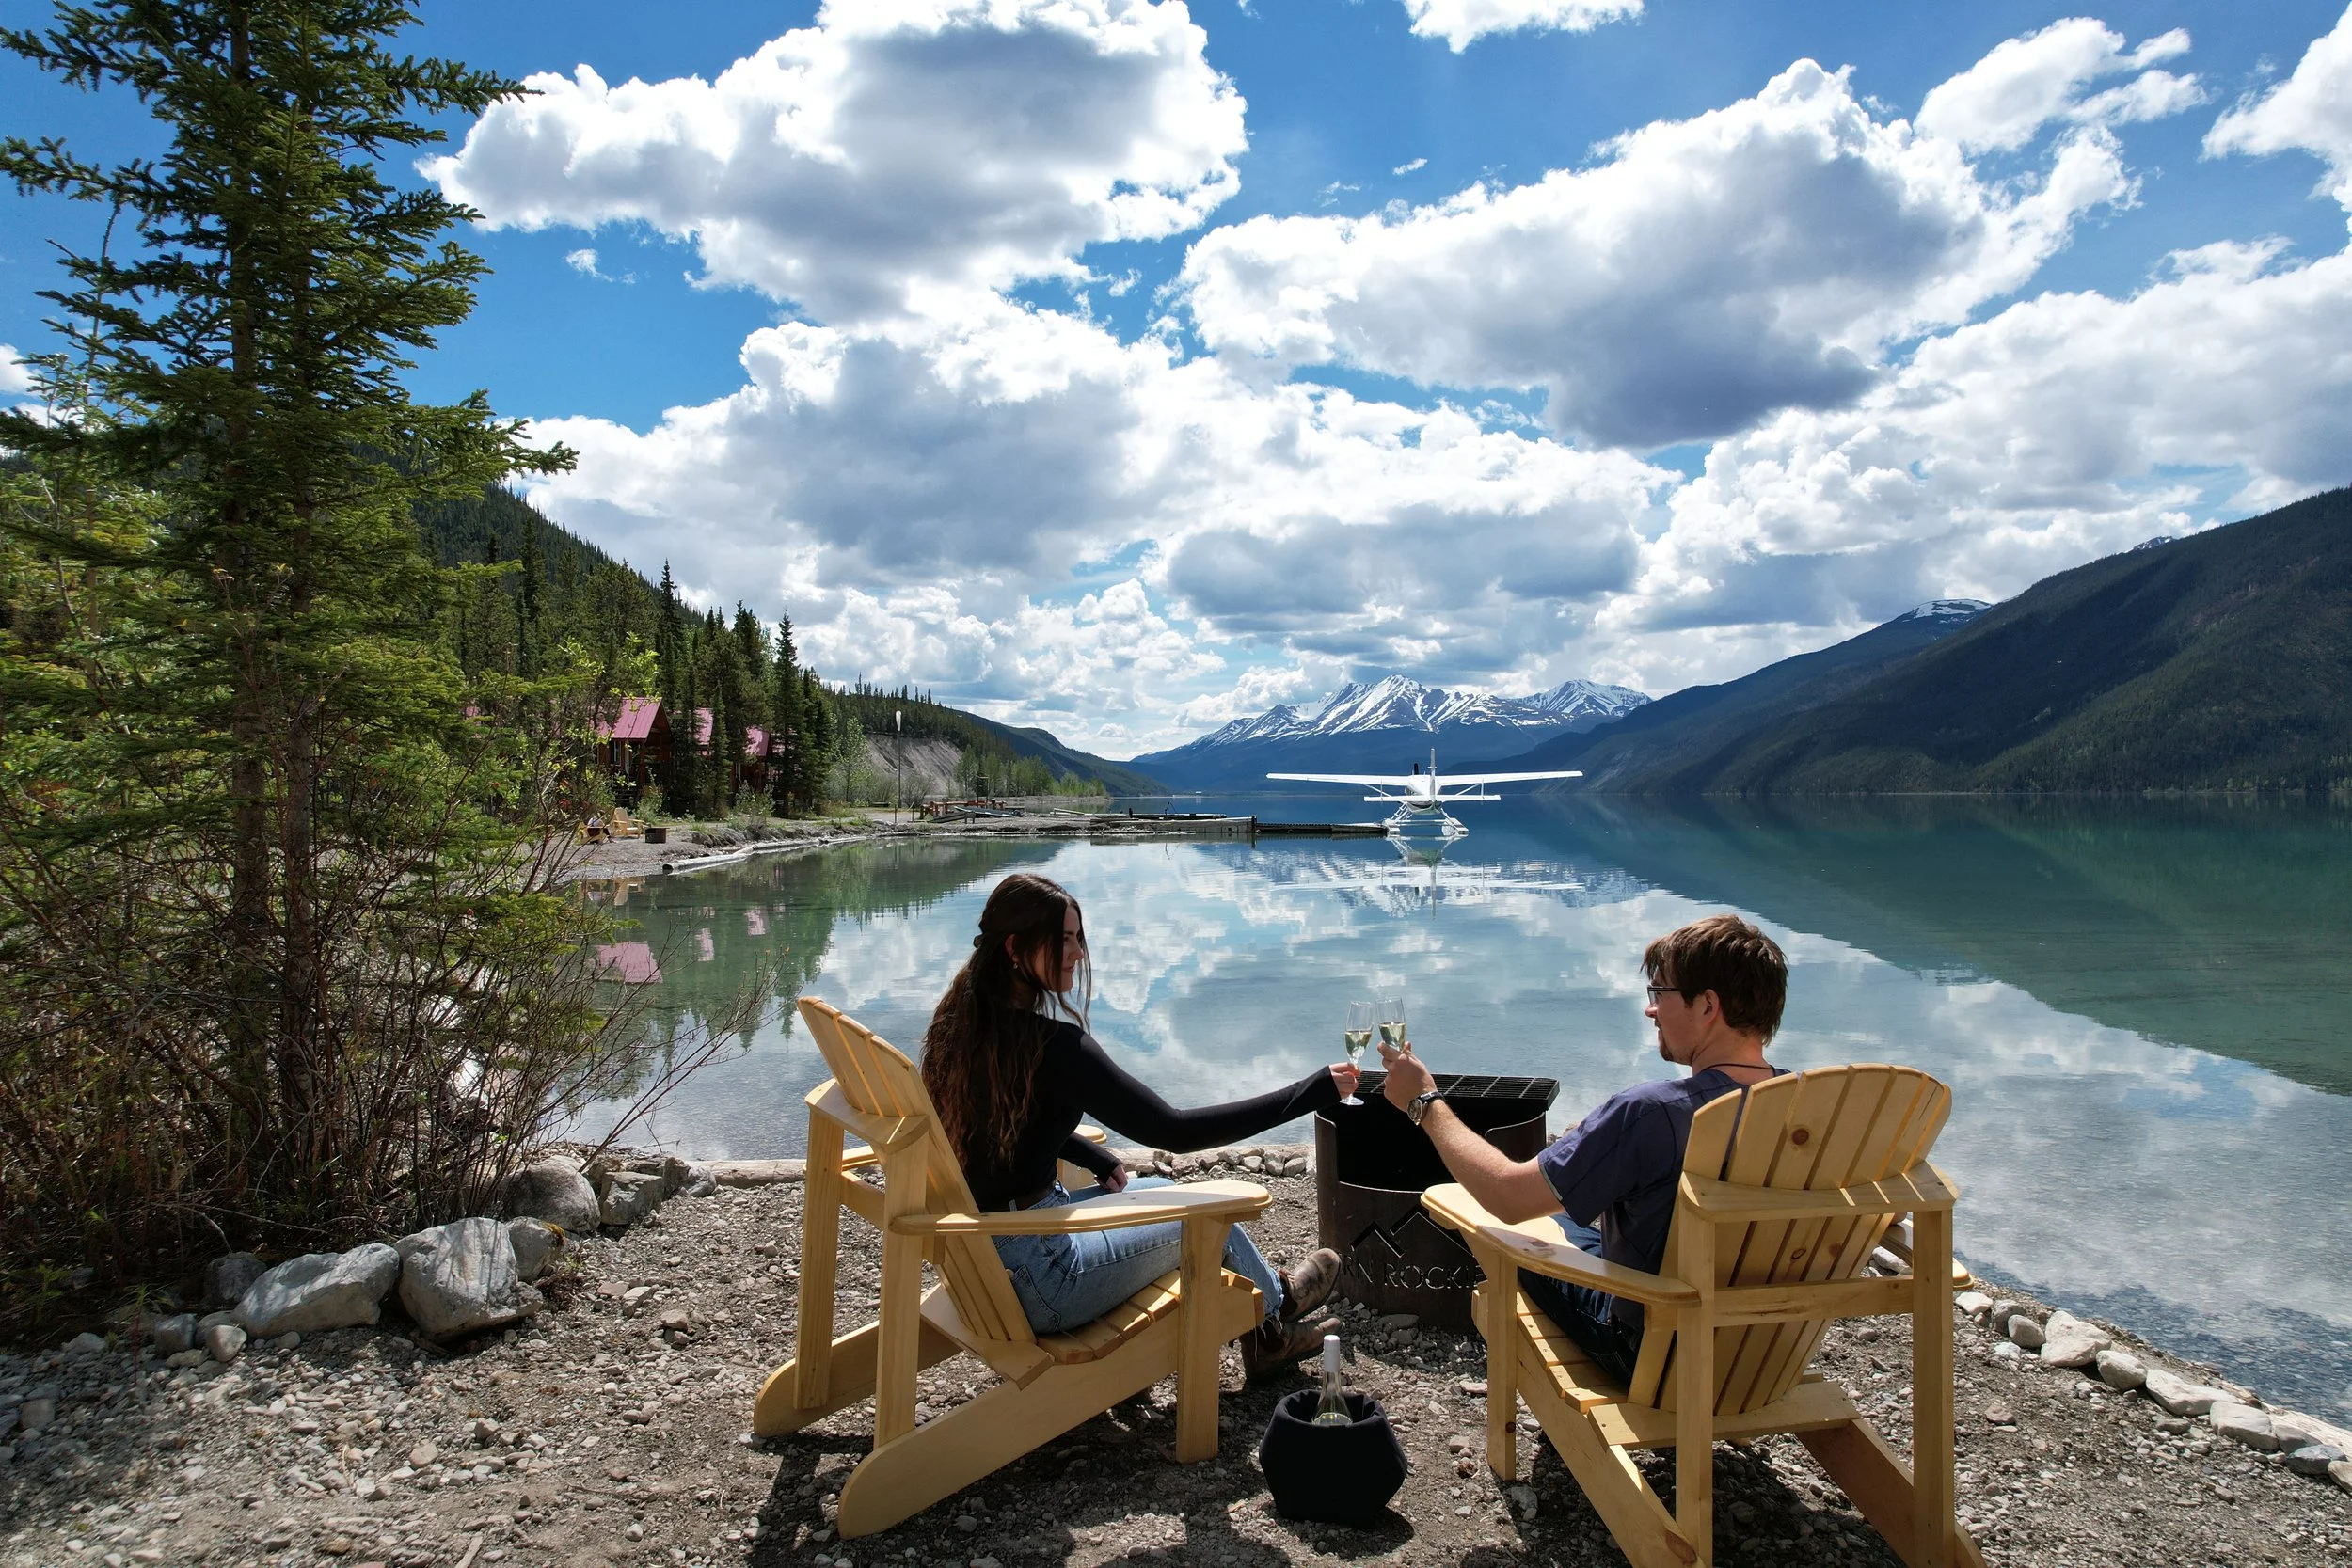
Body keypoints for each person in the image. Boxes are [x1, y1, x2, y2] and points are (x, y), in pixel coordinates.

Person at [921, 872, 1354, 1380]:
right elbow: (1173, 1130)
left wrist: (1088, 1153)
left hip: (991, 1251)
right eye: (1062, 939)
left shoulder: (963, 1026)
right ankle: (1276, 1313)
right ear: (1016, 948)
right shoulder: (1055, 1048)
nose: (1077, 953)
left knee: (1163, 1187)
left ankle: (1271, 1317)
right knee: (1204, 1211)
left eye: (1078, 938)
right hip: (1044, 1278)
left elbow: (1008, 1129)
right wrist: (1313, 1091)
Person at [1375, 912, 1788, 1385]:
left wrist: (1425, 1102)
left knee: (1506, 1232)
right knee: (1563, 1217)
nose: (1651, 1010)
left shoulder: (1654, 1113)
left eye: (1660, 993)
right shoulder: (1806, 1108)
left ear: (1707, 1006)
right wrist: (1599, 1148)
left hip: (1654, 1354)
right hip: (1764, 1354)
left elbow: (1509, 1198)